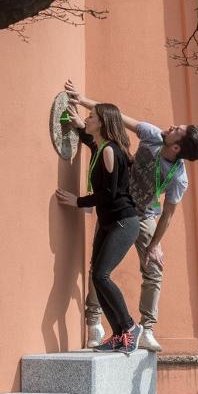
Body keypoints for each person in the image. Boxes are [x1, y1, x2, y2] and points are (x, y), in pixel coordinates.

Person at [64, 80, 198, 352]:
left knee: (153, 268)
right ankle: (94, 322)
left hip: (143, 215)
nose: (171, 126)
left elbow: (168, 214)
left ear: (177, 147)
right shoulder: (153, 135)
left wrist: (154, 244)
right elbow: (117, 117)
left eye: (177, 130)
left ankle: (146, 328)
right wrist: (82, 100)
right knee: (98, 267)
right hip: (116, 203)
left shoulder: (178, 177)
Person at [58, 103, 143, 353]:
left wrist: (78, 201)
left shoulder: (109, 151)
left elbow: (109, 194)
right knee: (97, 275)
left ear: (103, 123)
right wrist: (78, 126)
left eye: (91, 117)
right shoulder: (102, 147)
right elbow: (91, 143)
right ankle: (119, 335)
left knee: (101, 275)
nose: (87, 118)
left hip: (123, 222)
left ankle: (129, 326)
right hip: (109, 222)